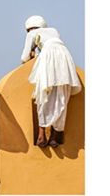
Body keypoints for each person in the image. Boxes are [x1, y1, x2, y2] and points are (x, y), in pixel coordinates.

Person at [20, 15, 82, 148]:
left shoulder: (32, 34)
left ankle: (41, 133)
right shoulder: (54, 31)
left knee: (43, 94)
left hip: (47, 59)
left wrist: (30, 54)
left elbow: (24, 58)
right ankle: (55, 136)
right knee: (61, 97)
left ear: (28, 28)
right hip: (65, 58)